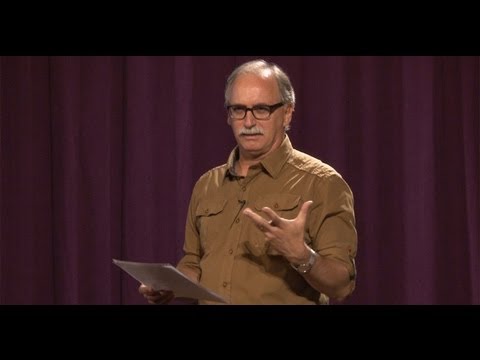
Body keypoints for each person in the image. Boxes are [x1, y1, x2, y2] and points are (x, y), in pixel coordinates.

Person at [139, 59, 357, 305]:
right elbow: (193, 263)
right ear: (229, 116)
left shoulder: (323, 183)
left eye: (261, 109)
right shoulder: (207, 184)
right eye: (239, 110)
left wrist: (302, 256)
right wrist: (171, 286)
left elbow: (341, 285)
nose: (249, 122)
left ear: (287, 113)